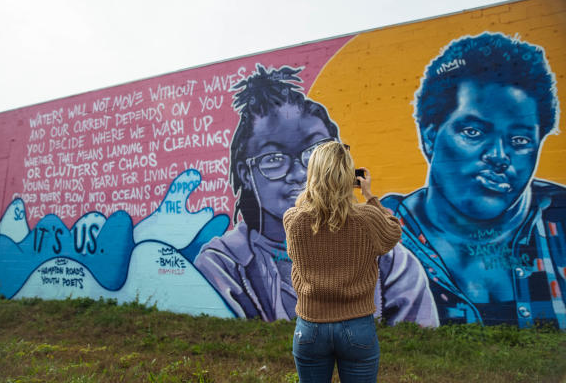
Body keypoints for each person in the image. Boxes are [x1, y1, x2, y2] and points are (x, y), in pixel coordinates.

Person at [195, 64, 437, 325]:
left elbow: (417, 338)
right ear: (245, 172)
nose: (300, 172)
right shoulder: (224, 265)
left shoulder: (389, 261)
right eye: (274, 159)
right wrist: (368, 198)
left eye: (315, 154)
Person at [381, 32, 566, 328]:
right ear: (429, 136)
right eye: (473, 132)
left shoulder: (560, 220)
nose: (499, 156)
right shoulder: (378, 235)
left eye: (519, 140)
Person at [284, 141, 401, 382]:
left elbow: (307, 213)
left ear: (313, 174)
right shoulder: (367, 219)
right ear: (349, 176)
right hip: (357, 326)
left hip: (310, 327)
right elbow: (393, 232)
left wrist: (314, 191)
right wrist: (370, 196)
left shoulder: (294, 220)